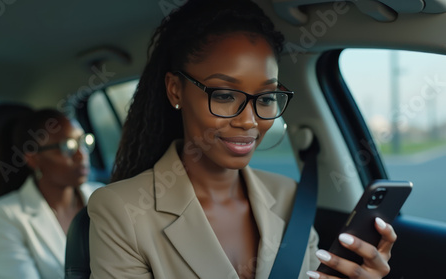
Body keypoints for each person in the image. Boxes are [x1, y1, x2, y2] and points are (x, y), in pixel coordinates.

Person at [88, 1, 397, 278]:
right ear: (175, 90)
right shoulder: (121, 210)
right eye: (224, 95)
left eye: (265, 98)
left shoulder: (289, 196)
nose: (249, 120)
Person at [0, 109, 102, 279]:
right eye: (67, 146)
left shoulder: (103, 196)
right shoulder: (4, 214)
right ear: (33, 159)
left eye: (83, 142)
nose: (81, 155)